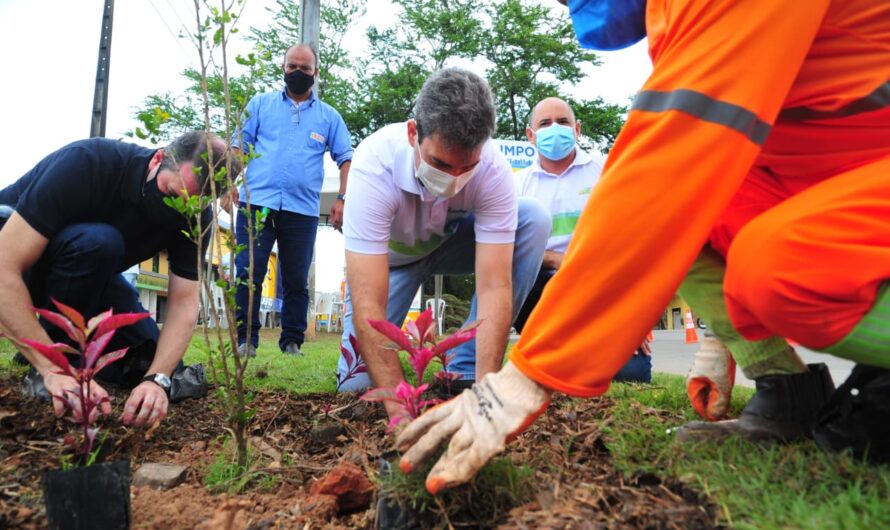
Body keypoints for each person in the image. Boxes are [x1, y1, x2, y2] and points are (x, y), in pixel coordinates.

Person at [396, 0, 890, 493]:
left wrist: (528, 375)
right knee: (698, 208)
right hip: (841, 177)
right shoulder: (674, 14)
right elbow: (695, 172)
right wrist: (726, 338)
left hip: (860, 183)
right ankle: (788, 390)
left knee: (778, 269)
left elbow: (663, 174)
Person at [335, 67, 550, 413]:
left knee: (534, 218)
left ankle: (464, 362)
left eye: (467, 168)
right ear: (412, 133)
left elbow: (495, 287)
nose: (453, 180)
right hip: (392, 266)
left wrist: (486, 400)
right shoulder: (374, 165)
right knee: (355, 381)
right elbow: (368, 303)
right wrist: (401, 411)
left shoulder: (493, 170)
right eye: (439, 163)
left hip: (449, 246)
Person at [0, 131, 236, 427]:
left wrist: (156, 379)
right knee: (99, 242)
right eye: (172, 195)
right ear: (158, 159)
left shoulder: (196, 217)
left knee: (149, 359)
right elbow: (4, 268)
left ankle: (61, 358)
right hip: (21, 263)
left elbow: (184, 303)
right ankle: (50, 364)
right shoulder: (88, 164)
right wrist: (54, 369)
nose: (178, 211)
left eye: (191, 206)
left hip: (89, 278)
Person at [230, 43, 353, 358]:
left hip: (302, 210)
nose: (298, 73)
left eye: (305, 68)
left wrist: (342, 198)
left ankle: (292, 342)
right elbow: (237, 148)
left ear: (315, 72)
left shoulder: (329, 117)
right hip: (256, 203)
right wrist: (225, 182)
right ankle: (246, 341)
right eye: (292, 67)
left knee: (296, 278)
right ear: (283, 68)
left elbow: (346, 158)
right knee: (248, 272)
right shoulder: (259, 105)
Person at [515, 96, 650, 382]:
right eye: (545, 123)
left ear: (577, 129)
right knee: (558, 374)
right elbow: (509, 253)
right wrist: (555, 260)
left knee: (631, 376)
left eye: (562, 122)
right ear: (530, 135)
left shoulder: (606, 171)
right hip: (542, 287)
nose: (555, 129)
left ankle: (606, 347)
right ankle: (547, 355)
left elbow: (630, 239)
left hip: (600, 283)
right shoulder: (517, 185)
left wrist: (633, 316)